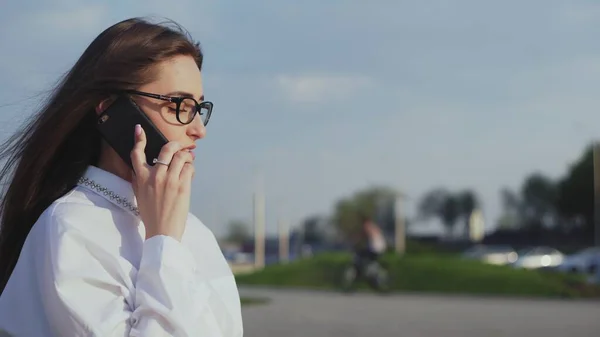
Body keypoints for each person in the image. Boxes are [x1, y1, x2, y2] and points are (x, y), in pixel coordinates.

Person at [0, 18, 243, 336]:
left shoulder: (194, 231)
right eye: (180, 105)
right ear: (113, 110)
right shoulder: (71, 227)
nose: (199, 129)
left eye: (199, 108)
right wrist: (163, 241)